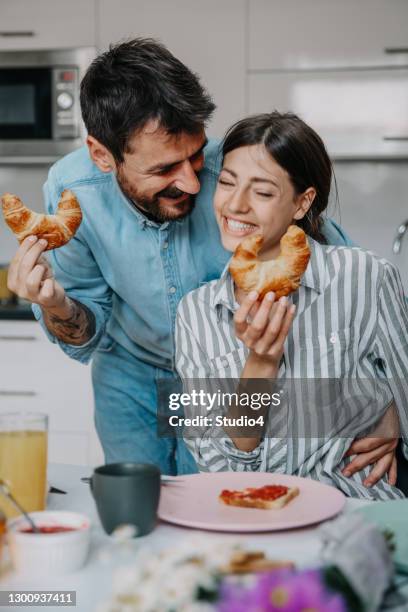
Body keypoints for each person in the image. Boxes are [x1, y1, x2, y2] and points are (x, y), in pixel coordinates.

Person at [7, 39, 398, 478]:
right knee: (141, 504)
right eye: (164, 170)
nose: (194, 184)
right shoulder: (70, 192)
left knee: (213, 495)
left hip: (226, 376)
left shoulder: (233, 175)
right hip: (131, 373)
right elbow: (84, 327)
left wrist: (388, 406)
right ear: (102, 155)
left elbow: (344, 283)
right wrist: (55, 304)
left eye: (195, 155)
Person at [175, 112, 408, 498]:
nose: (235, 205)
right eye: (227, 183)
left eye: (262, 192)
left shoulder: (364, 277)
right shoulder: (195, 314)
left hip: (355, 511)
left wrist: (393, 416)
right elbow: (222, 467)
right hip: (255, 518)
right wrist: (260, 365)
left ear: (302, 203)